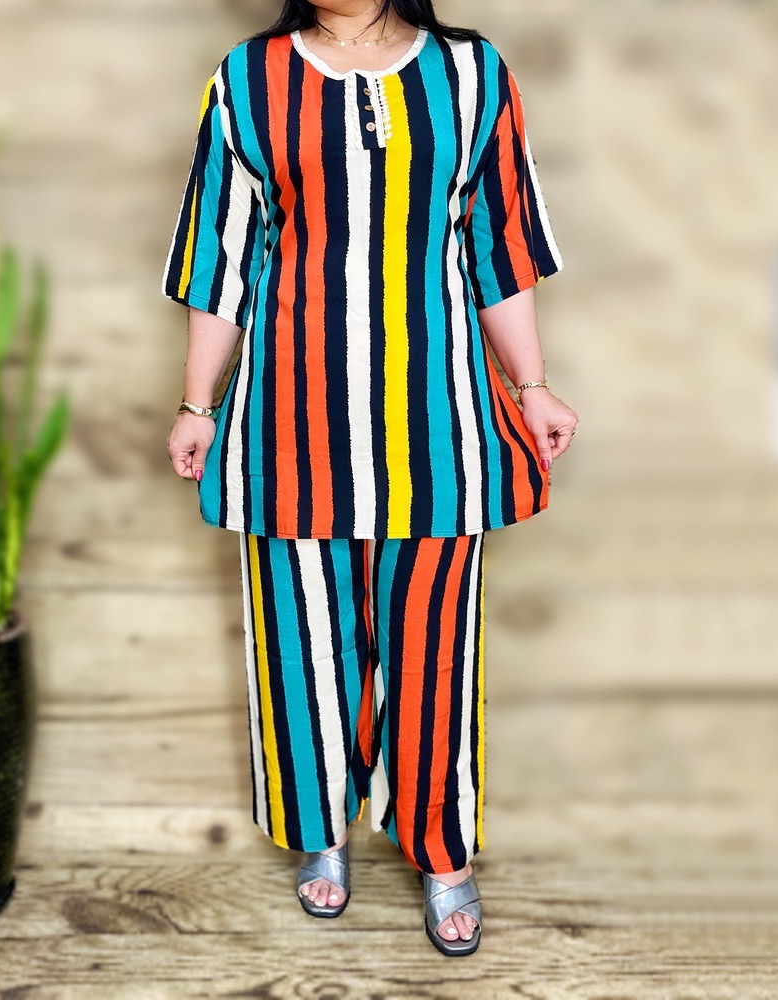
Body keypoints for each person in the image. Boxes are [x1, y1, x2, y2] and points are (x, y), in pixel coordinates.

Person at [163, 0, 578, 957]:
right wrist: (196, 402)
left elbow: (498, 249)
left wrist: (533, 386)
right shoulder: (248, 80)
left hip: (439, 422)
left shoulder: (472, 75)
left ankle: (443, 850)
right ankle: (323, 830)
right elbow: (221, 257)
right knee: (301, 646)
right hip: (288, 421)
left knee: (436, 651)